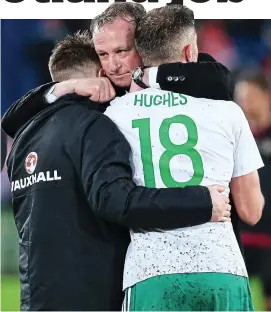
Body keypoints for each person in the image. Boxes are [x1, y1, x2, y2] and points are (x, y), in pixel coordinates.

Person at [5, 30, 230, 311]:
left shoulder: (24, 138)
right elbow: (116, 201)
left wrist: (62, 88)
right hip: (92, 296)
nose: (117, 67)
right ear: (99, 75)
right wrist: (203, 201)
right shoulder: (95, 125)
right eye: (106, 57)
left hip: (37, 298)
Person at [1, 3, 244, 255]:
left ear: (141, 43)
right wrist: (66, 86)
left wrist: (147, 76)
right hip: (142, 246)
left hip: (208, 232)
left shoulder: (184, 74)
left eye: (121, 51)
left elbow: (221, 79)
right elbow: (12, 120)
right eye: (104, 55)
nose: (114, 65)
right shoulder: (103, 94)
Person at [102, 6, 265, 310]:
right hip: (222, 268)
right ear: (190, 50)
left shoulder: (116, 114)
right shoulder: (226, 110)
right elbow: (251, 210)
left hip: (151, 272)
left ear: (142, 53)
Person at [235, 69, 271, 311]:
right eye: (242, 100)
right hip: (244, 239)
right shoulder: (239, 139)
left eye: (251, 98)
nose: (246, 106)